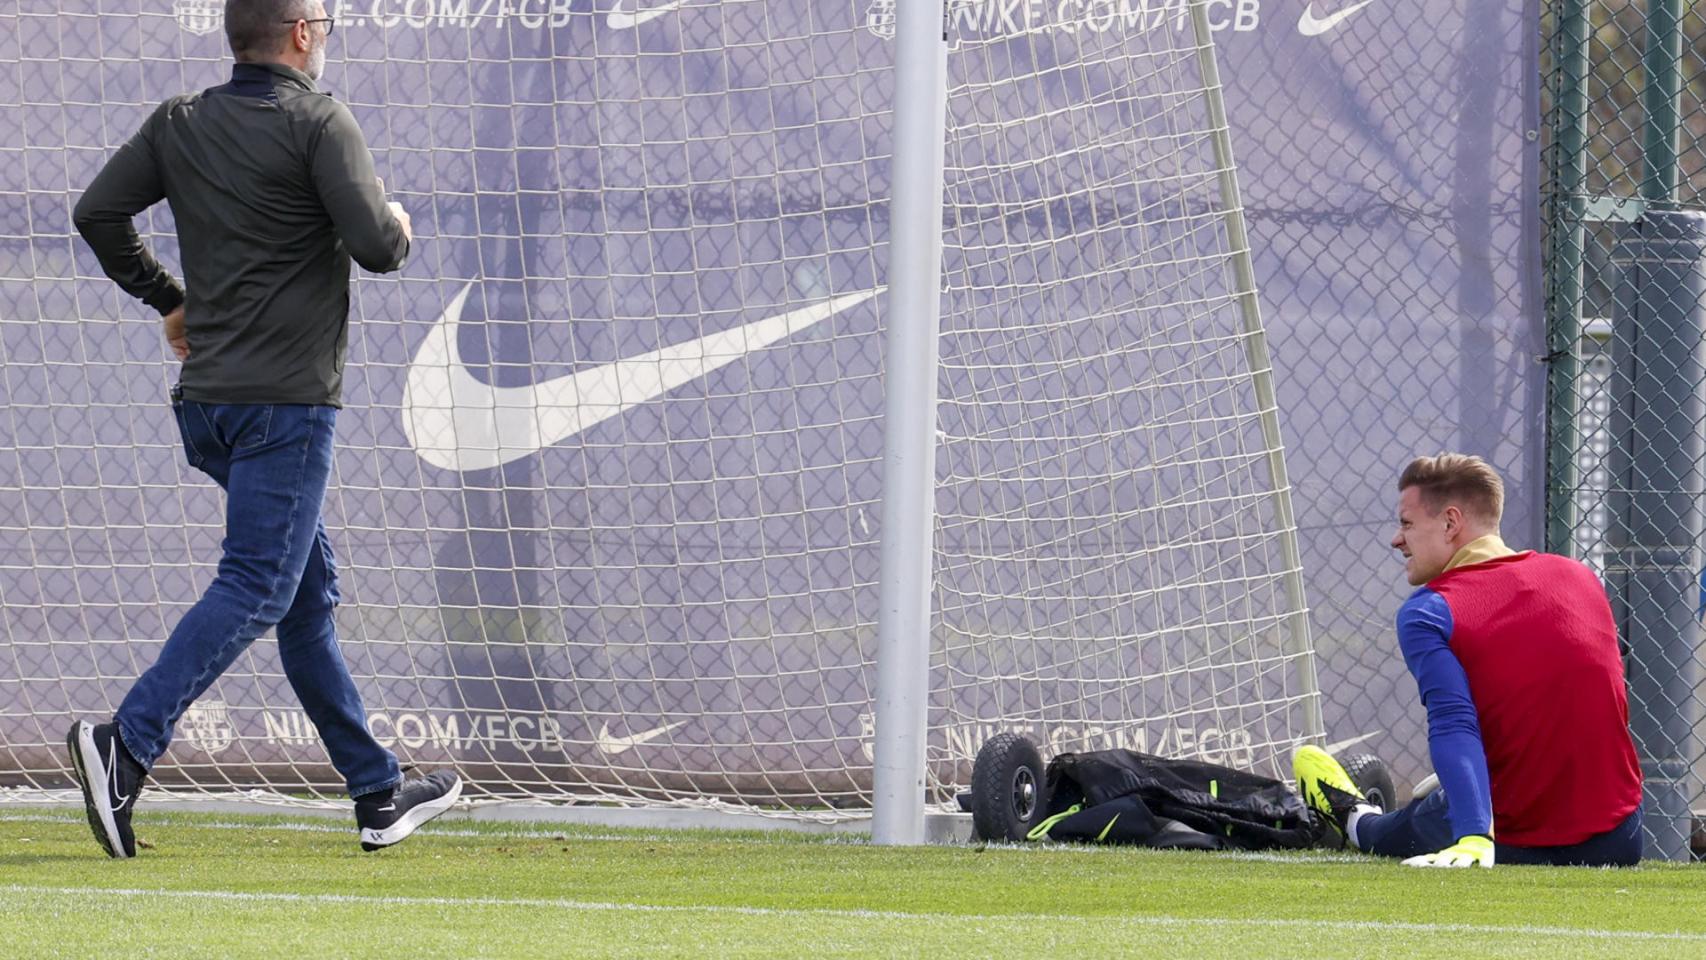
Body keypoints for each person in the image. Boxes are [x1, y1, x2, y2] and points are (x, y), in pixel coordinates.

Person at [67, 0, 459, 858]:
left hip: (208, 409)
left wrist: (169, 299)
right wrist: (395, 225)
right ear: (301, 34)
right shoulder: (321, 121)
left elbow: (96, 214)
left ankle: (377, 791)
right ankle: (124, 744)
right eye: (325, 18)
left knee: (304, 597)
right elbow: (376, 248)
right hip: (285, 409)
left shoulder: (178, 123)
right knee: (258, 587)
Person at [1294, 453, 1644, 867]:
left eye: (1406, 524)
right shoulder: (1580, 577)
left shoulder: (1428, 610)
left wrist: (1475, 835)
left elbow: (1453, 720)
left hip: (1504, 840)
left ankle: (1353, 817)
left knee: (1381, 834)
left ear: (1450, 523)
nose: (1396, 539)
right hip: (1618, 840)